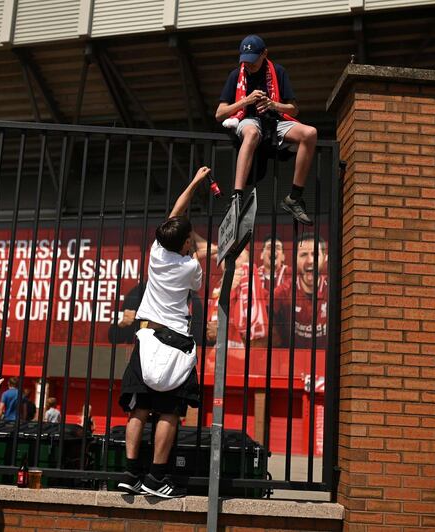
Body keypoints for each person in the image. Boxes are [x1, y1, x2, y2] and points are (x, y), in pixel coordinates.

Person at [117, 166, 212, 499]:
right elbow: (197, 280)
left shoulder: (156, 254)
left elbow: (174, 213)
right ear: (184, 242)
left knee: (138, 409)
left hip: (146, 338)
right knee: (169, 412)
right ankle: (156, 478)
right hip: (174, 344)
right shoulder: (190, 267)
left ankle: (130, 472)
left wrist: (194, 182)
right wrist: (195, 249)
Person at [216, 35, 318, 225]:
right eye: (245, 60)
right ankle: (236, 196)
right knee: (252, 132)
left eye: (253, 60)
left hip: (274, 122)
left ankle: (294, 198)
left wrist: (273, 105)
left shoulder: (278, 71)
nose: (249, 65)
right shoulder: (235, 75)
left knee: (310, 133)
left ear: (265, 54)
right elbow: (219, 113)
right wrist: (246, 100)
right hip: (247, 120)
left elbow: (294, 109)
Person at [273, 232, 328, 348]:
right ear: (295, 259)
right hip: (291, 363)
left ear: (325, 257)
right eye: (303, 255)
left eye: (315, 254)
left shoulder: (333, 291)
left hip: (325, 364)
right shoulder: (282, 293)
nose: (310, 260)